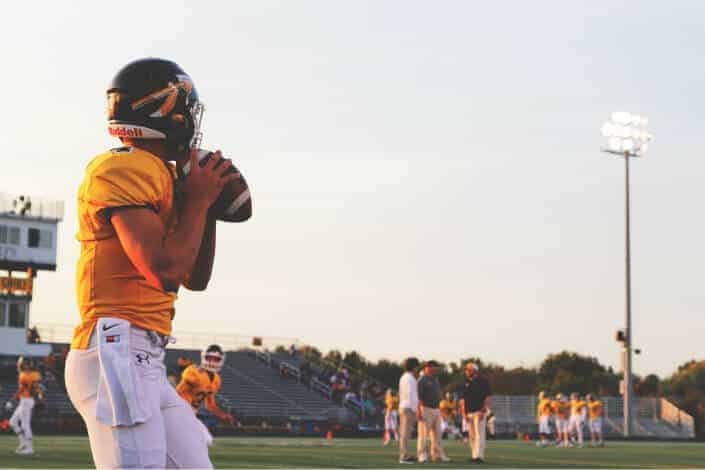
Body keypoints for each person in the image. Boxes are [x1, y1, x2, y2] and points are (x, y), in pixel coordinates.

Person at [64, 58, 244, 469]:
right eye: (186, 108)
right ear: (164, 111)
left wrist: (208, 210)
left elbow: (193, 276)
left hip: (143, 352)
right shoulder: (122, 167)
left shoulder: (161, 174)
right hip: (116, 347)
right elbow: (163, 270)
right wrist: (196, 201)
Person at [176, 344, 235, 446]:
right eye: (209, 358)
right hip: (177, 410)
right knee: (196, 441)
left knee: (207, 440)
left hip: (190, 414)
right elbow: (188, 377)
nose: (212, 362)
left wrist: (222, 415)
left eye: (216, 359)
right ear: (203, 358)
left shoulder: (216, 379)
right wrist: (194, 380)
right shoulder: (193, 371)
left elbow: (210, 404)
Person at [416, 361, 450, 463]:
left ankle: (437, 455)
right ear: (428, 367)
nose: (436, 369)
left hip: (436, 409)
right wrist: (419, 410)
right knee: (423, 434)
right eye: (434, 367)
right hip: (425, 408)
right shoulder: (422, 379)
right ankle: (422, 455)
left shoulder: (435, 379)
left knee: (437, 435)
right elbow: (418, 397)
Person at [459, 362, 492, 463]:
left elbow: (488, 396)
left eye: (468, 369)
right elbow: (462, 399)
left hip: (479, 411)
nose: (466, 371)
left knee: (479, 435)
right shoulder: (466, 382)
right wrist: (463, 413)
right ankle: (474, 455)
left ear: (474, 370)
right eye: (466, 369)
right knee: (471, 436)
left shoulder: (483, 381)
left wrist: (484, 409)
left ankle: (479, 456)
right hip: (469, 412)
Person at [10, 357, 42, 455]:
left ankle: (29, 448)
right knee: (13, 422)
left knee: (25, 424)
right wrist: (40, 398)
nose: (18, 365)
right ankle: (23, 443)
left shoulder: (24, 375)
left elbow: (21, 389)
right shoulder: (35, 374)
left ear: (25, 364)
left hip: (26, 400)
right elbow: (37, 389)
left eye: (20, 363)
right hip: (28, 400)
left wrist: (11, 400)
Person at [398, 357, 420, 464]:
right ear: (413, 367)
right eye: (416, 366)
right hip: (408, 408)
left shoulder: (406, 377)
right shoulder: (409, 378)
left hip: (405, 407)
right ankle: (404, 456)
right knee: (405, 433)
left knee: (405, 433)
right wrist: (415, 410)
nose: (417, 368)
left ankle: (405, 454)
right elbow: (411, 395)